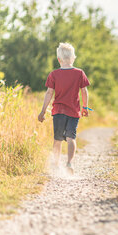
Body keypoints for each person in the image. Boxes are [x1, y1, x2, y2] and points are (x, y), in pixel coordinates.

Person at [38, 43, 90, 174]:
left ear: (58, 59)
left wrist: (43, 111)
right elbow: (84, 91)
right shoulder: (79, 73)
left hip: (58, 112)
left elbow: (49, 93)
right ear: (73, 58)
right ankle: (69, 163)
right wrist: (85, 107)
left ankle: (55, 164)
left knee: (57, 139)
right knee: (71, 138)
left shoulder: (54, 74)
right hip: (74, 111)